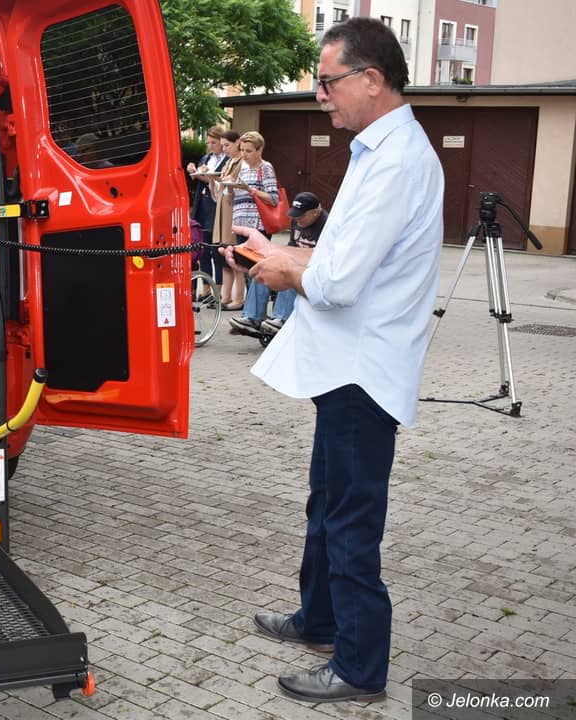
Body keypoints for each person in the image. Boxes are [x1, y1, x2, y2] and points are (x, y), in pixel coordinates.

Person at [221, 16, 443, 703]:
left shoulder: (398, 161)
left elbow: (339, 283)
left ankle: (359, 667)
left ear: (371, 79)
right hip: (345, 365)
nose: (320, 95)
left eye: (327, 82)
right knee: (327, 503)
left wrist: (283, 270)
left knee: (349, 519)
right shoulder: (379, 150)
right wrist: (280, 253)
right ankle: (318, 620)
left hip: (363, 372)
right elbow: (345, 258)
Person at [229, 191, 328, 335]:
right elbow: (291, 245)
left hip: (315, 270)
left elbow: (326, 256)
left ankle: (281, 318)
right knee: (263, 267)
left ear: (315, 212)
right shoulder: (297, 221)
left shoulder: (327, 225)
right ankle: (252, 317)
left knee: (287, 272)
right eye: (295, 215)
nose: (297, 219)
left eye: (301, 216)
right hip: (297, 261)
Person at [225, 130, 277, 316]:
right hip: (241, 224)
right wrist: (230, 190)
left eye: (248, 151)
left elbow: (273, 199)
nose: (244, 155)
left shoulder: (266, 168)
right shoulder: (241, 168)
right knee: (247, 269)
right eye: (242, 150)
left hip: (258, 226)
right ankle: (251, 312)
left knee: (257, 269)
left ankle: (256, 313)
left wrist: (250, 190)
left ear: (259, 150)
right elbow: (230, 201)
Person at [208, 130, 244, 308]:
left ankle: (239, 298)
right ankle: (225, 297)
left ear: (237, 142)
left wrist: (229, 184)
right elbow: (219, 191)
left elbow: (241, 188)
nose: (224, 149)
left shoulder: (242, 162)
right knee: (224, 256)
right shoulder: (229, 162)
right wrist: (211, 179)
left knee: (235, 258)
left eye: (227, 145)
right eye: (222, 146)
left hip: (233, 212)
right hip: (223, 210)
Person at [186, 126, 228, 272]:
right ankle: (206, 283)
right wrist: (193, 170)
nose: (210, 146)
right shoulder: (206, 158)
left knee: (216, 248)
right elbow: (196, 180)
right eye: (208, 143)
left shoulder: (228, 160)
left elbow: (219, 180)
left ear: (222, 142)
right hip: (202, 203)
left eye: (213, 143)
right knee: (202, 247)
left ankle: (219, 282)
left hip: (216, 205)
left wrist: (202, 175)